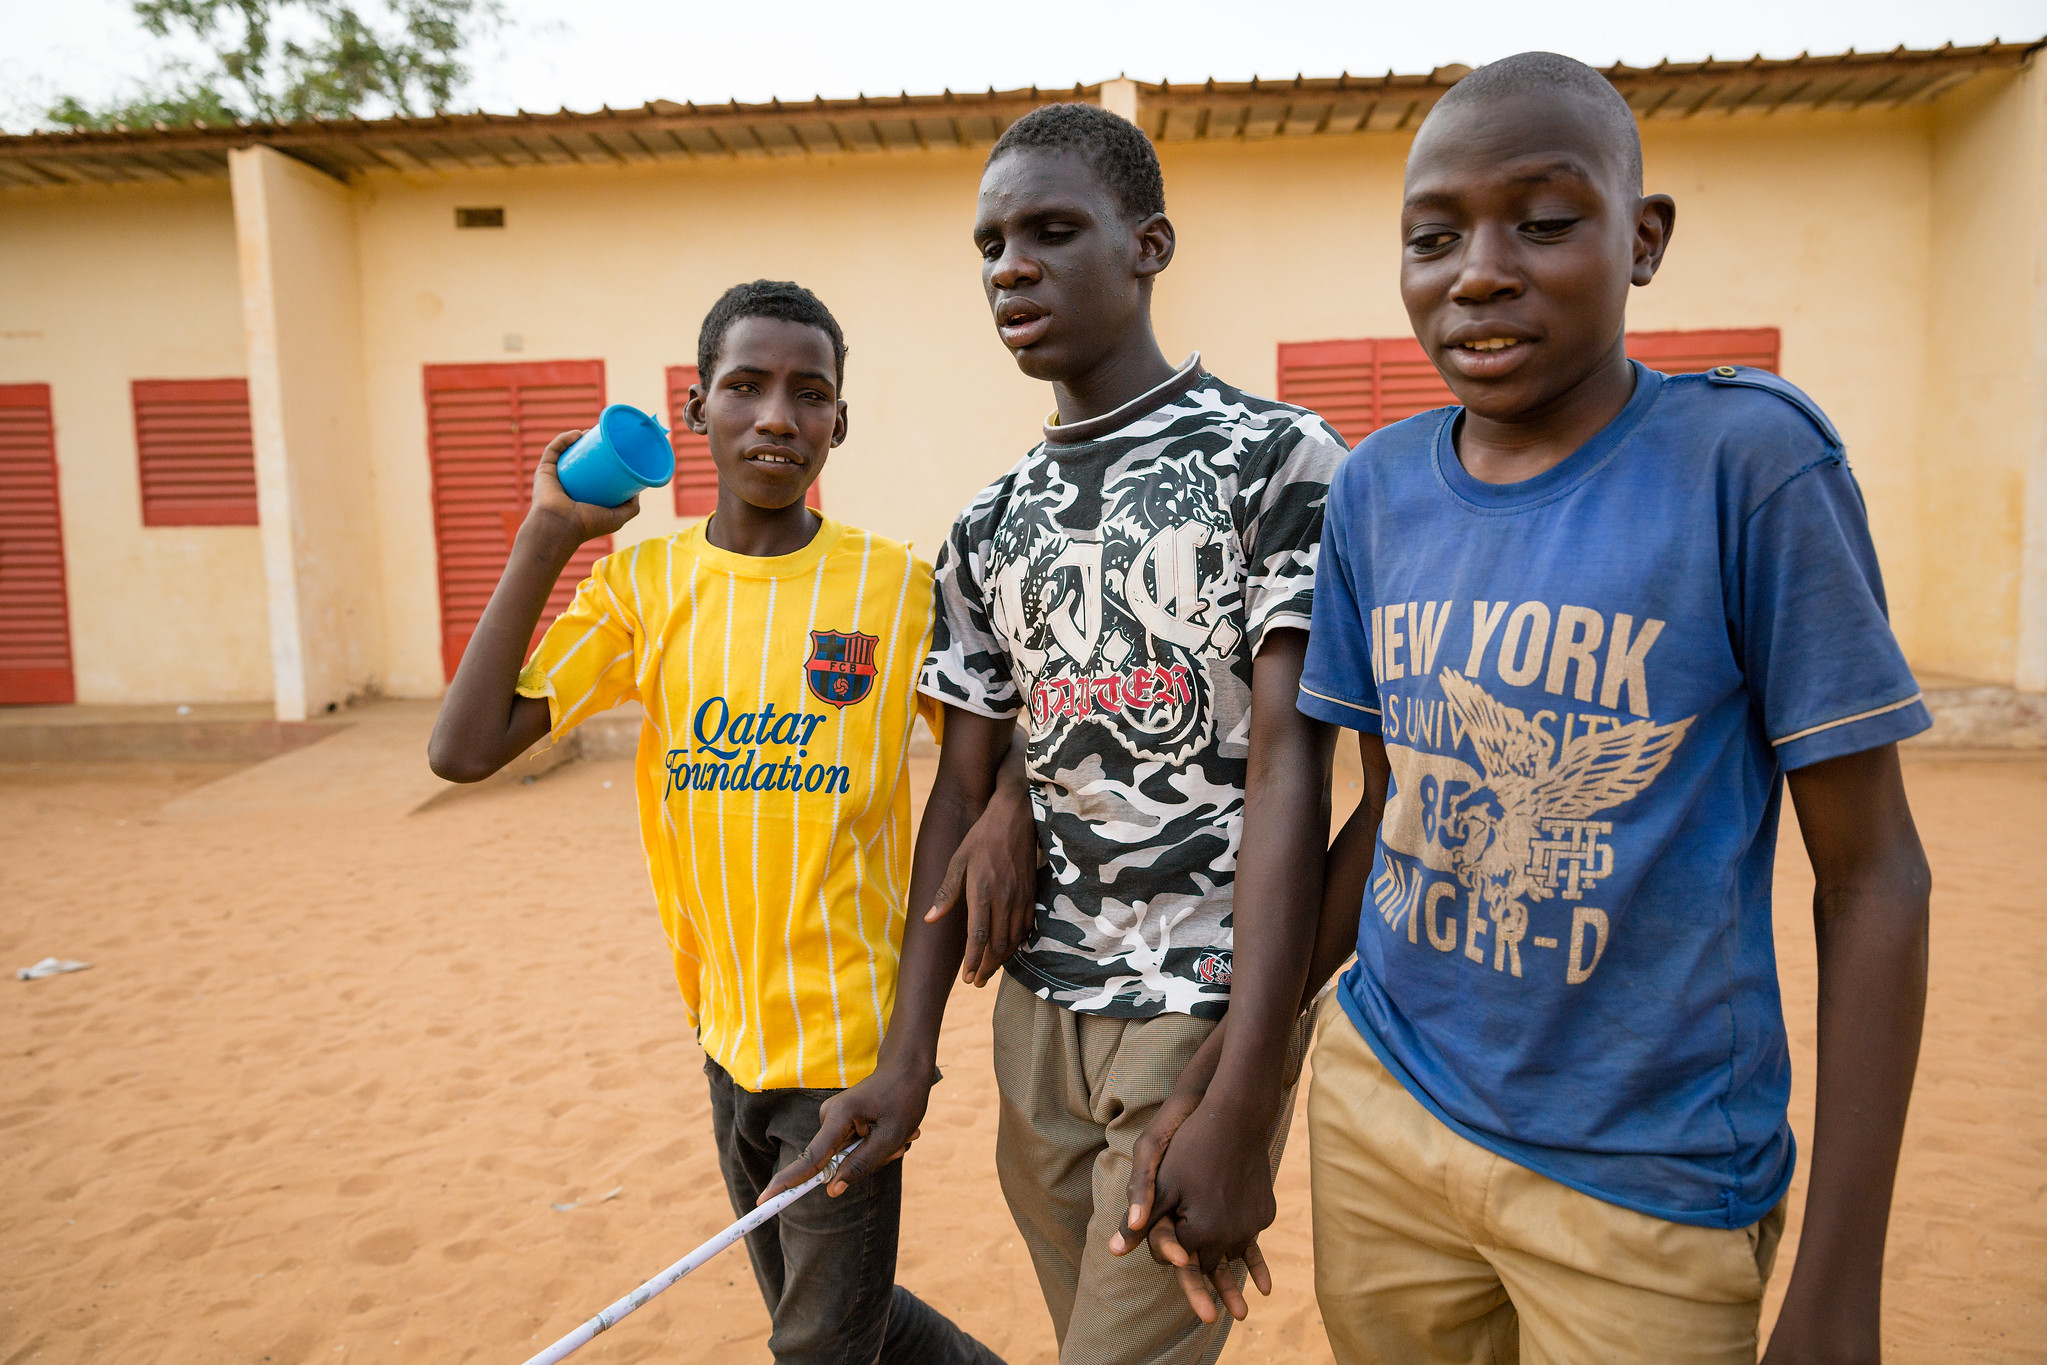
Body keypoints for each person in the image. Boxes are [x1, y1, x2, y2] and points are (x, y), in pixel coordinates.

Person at [1246, 51, 1928, 1363]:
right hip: (1380, 1116)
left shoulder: (1749, 466)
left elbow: (1871, 878)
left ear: (1642, 238)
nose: (1479, 270)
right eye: (1431, 237)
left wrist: (1841, 1284)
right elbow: (1389, 806)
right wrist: (1242, 1075)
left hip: (1646, 1187)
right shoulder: (1378, 490)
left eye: (1543, 222)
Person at [762, 104, 1351, 1364]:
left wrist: (1246, 1080)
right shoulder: (986, 526)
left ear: (1148, 245)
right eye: (988, 245)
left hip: (1199, 1004)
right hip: (1036, 1019)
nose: (1008, 267)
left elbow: (1296, 759)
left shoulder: (1277, 461)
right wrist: (906, 1060)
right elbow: (963, 788)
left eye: (1049, 230)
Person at [428, 280, 1014, 1365]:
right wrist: (548, 534)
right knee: (835, 1309)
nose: (778, 417)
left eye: (810, 393)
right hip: (724, 1039)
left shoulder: (896, 589)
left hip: (846, 1050)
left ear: (842, 421)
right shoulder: (643, 588)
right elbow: (462, 750)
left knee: (816, 1347)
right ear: (695, 410)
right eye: (745, 387)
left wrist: (910, 1056)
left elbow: (980, 770)